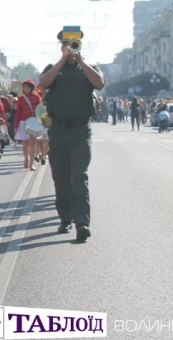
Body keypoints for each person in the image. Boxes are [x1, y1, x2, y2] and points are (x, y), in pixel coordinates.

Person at [39, 28, 105, 242]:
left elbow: (100, 83)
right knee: (60, 177)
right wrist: (62, 60)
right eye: (66, 44)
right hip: (58, 130)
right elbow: (44, 83)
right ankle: (65, 218)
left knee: (79, 176)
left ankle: (82, 223)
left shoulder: (88, 68)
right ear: (61, 46)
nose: (70, 47)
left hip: (80, 130)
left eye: (74, 44)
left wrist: (81, 61)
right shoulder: (53, 68)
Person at [13, 79, 42, 171]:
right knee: (25, 144)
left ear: (31, 88)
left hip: (33, 122)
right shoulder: (20, 98)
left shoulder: (37, 98)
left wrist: (40, 122)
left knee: (32, 143)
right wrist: (16, 125)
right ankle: (26, 159)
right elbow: (18, 112)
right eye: (24, 87)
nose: (26, 88)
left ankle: (32, 163)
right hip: (23, 123)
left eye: (28, 87)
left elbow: (40, 111)